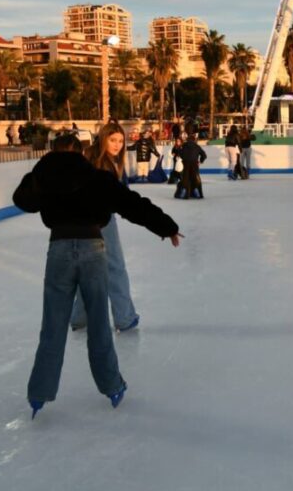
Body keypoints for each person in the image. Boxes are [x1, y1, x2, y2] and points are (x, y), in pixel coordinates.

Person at [13, 134, 182, 419]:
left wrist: (41, 171)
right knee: (100, 324)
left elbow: (22, 200)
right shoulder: (97, 177)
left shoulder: (45, 175)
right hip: (93, 249)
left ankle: (38, 394)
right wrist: (166, 226)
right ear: (82, 152)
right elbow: (132, 204)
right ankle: (112, 386)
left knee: (52, 327)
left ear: (53, 152)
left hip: (59, 251)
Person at [66, 123, 143, 334]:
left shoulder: (90, 157)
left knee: (89, 270)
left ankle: (80, 318)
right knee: (115, 267)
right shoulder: (105, 164)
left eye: (120, 141)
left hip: (80, 222)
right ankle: (125, 318)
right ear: (103, 139)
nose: (117, 145)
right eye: (113, 140)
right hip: (100, 221)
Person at [175, 134, 207, 199]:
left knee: (185, 179)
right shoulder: (197, 146)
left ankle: (184, 193)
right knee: (195, 178)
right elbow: (204, 155)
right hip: (194, 164)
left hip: (186, 163)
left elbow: (179, 152)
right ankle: (197, 193)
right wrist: (200, 161)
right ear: (194, 140)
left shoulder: (184, 145)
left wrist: (184, 158)